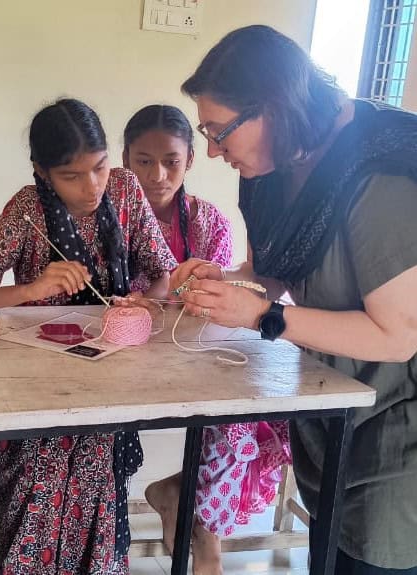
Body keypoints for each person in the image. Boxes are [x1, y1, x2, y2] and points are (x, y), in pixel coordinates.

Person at [173, 24, 417, 574]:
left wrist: (263, 315)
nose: (212, 151)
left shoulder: (379, 175)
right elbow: (276, 274)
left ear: (272, 110)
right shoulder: (272, 167)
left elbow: (397, 336)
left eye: (218, 132)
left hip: (395, 443)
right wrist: (228, 282)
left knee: (369, 556)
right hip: (334, 417)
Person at [0, 98, 177, 574]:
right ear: (42, 171)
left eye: (98, 167)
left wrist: (144, 300)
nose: (92, 186)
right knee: (48, 461)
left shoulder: (126, 191)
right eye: (71, 176)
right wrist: (34, 288)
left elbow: (165, 274)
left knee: (94, 454)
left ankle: (91, 565)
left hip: (109, 370)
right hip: (37, 382)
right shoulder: (28, 210)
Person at [123, 104, 290, 573]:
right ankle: (187, 521)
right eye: (143, 161)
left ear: (191, 160)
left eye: (171, 161)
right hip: (127, 357)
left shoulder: (208, 220)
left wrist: (179, 294)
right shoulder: (110, 220)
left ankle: (197, 522)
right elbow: (111, 300)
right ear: (125, 159)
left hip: (194, 354)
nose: (158, 175)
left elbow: (211, 301)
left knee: (248, 423)